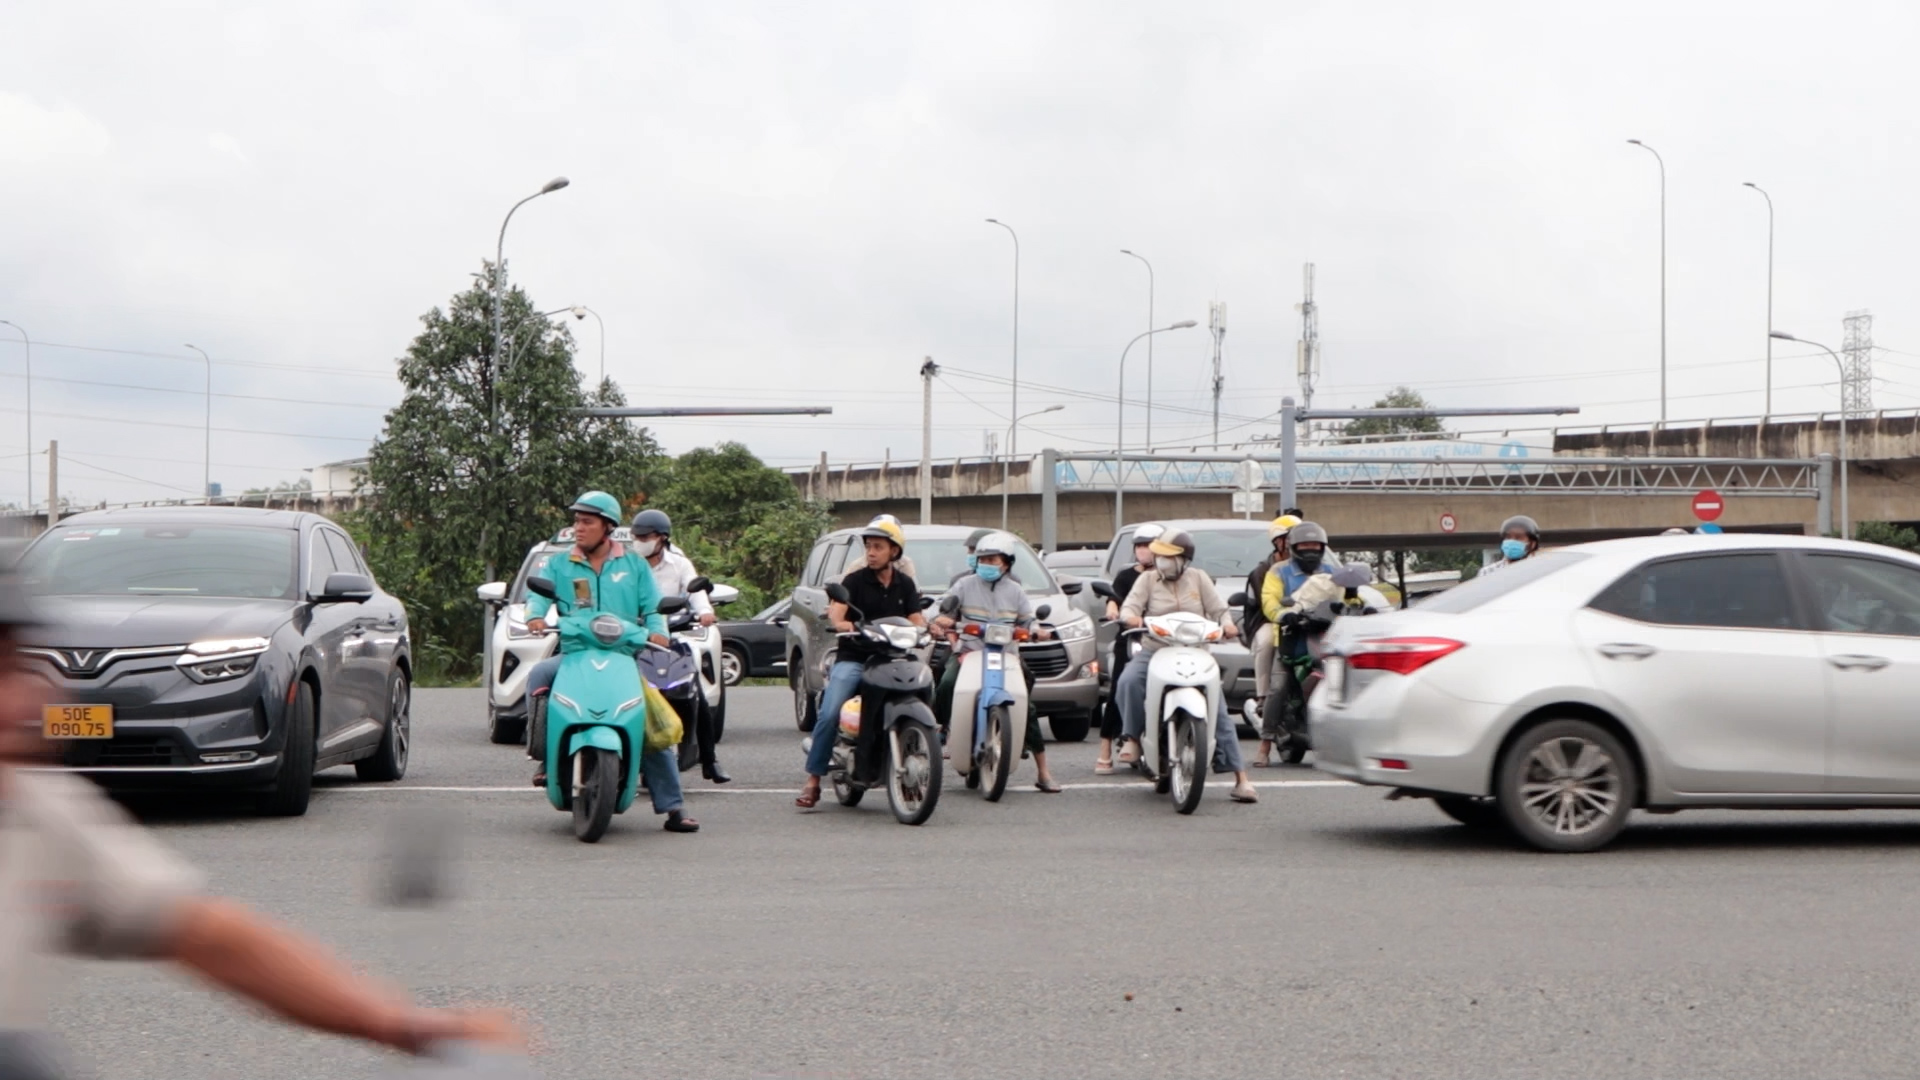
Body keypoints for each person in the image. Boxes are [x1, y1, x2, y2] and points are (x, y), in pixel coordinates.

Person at [0, 575, 522, 1077]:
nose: (25, 701)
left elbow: (212, 938)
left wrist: (406, 1027)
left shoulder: (37, 811)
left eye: (17, 667)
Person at [524, 491, 697, 833]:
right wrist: (535, 617)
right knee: (540, 674)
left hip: (623, 655)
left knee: (650, 723)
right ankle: (545, 756)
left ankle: (673, 808)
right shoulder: (559, 563)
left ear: (607, 527)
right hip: (575, 654)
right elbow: (538, 598)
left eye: (587, 522)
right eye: (576, 521)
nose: (579, 528)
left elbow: (652, 607)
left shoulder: (633, 564)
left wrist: (658, 631)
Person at [1114, 530, 1259, 804]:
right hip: (1156, 650)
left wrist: (1227, 625)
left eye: (1168, 557)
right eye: (1159, 556)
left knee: (1219, 710)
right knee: (1128, 681)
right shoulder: (1146, 580)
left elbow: (1219, 610)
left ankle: (1241, 778)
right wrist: (1132, 618)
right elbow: (1129, 608)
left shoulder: (1199, 578)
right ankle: (1131, 737)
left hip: (1196, 651)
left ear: (1184, 560)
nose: (1162, 561)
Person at [796, 520, 929, 809]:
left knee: (922, 686)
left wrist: (923, 629)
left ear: (894, 551)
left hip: (893, 656)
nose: (871, 552)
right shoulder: (854, 581)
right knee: (831, 712)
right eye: (869, 547)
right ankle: (814, 779)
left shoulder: (905, 584)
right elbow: (837, 616)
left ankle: (921, 745)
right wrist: (849, 626)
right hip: (855, 657)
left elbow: (916, 618)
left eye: (878, 547)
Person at [930, 532, 1062, 793]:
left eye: (992, 559)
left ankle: (1043, 771)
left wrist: (1037, 630)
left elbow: (1027, 621)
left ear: (1006, 563)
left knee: (1029, 708)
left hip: (1006, 656)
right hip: (970, 651)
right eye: (983, 559)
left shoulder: (1015, 591)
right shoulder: (965, 585)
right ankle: (945, 729)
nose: (987, 564)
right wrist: (943, 620)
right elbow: (944, 610)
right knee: (946, 684)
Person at [630, 507, 729, 785]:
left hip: (667, 641)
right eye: (636, 536)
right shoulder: (626, 564)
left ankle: (709, 761)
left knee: (692, 693)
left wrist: (705, 611)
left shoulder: (679, 564)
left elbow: (695, 591)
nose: (639, 541)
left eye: (645, 536)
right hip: (631, 639)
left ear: (661, 538)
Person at [1257, 520, 1329, 766]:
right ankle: (1265, 744)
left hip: (1326, 638)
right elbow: (1269, 601)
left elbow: (1348, 596)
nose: (1310, 550)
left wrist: (1360, 604)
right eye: (1305, 545)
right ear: (1294, 547)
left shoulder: (1330, 572)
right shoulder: (1278, 571)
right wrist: (1282, 614)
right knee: (1278, 687)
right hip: (1291, 639)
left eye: (1315, 545)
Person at [1096, 524, 1161, 775]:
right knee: (1119, 687)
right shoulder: (1126, 576)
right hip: (1131, 637)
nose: (1145, 551)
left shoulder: (1171, 576)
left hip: (1163, 639)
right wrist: (1113, 609)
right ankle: (1104, 749)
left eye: (1150, 546)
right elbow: (1115, 597)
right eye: (1140, 546)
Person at [1244, 514, 1302, 752]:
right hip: (1269, 621)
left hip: (1303, 622)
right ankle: (1262, 698)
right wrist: (1286, 613)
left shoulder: (1314, 568)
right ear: (1277, 542)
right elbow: (1268, 604)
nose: (1293, 544)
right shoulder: (1265, 571)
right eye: (1288, 539)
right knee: (1268, 640)